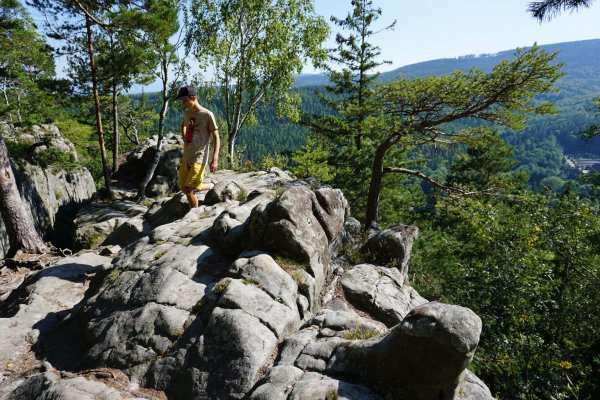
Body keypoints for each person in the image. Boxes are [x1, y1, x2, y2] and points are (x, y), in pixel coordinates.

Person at [176, 86, 220, 208]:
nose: (183, 104)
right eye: (182, 101)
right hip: (187, 156)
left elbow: (216, 136)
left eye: (185, 100)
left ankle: (193, 216)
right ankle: (209, 186)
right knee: (184, 188)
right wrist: (185, 137)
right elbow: (183, 125)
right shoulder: (188, 113)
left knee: (189, 191)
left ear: (194, 98)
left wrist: (214, 158)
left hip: (199, 158)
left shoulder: (207, 114)